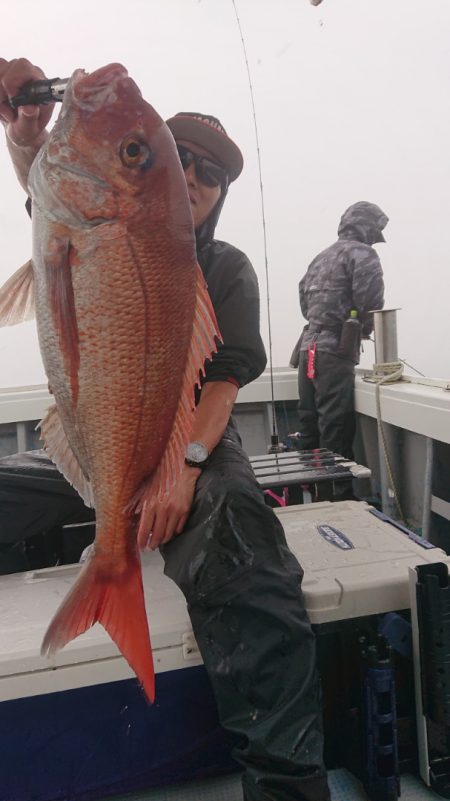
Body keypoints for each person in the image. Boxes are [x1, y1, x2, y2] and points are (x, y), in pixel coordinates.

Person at [0, 58, 331, 801]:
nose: (195, 173)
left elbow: (222, 388)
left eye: (212, 170)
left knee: (240, 530)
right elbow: (50, 195)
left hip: (191, 437)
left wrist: (182, 466)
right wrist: (24, 133)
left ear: (214, 194)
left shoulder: (229, 267)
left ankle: (287, 780)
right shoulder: (90, 216)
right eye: (176, 157)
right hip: (93, 437)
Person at [291, 201, 387, 460]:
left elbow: (304, 300)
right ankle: (338, 496)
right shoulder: (364, 255)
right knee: (337, 427)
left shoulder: (320, 257)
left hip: (307, 348)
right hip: (334, 353)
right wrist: (362, 327)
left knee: (309, 423)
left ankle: (313, 488)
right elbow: (371, 302)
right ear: (366, 228)